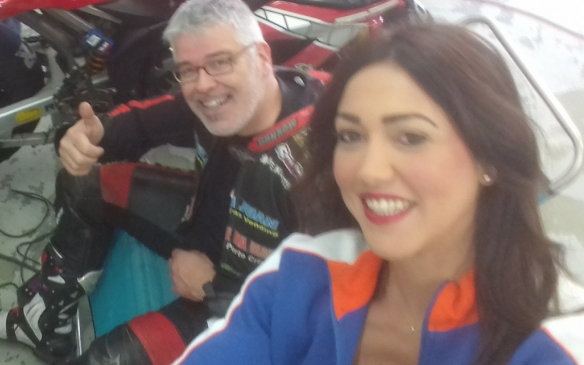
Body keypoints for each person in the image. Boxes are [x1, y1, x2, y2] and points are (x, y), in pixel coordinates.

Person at [175, 23, 584, 364]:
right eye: (351, 136)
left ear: (488, 158)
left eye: (411, 137)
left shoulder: (555, 344)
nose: (369, 171)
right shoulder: (303, 273)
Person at [0, 0, 327, 363]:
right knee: (84, 183)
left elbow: (327, 319)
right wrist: (88, 135)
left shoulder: (324, 162)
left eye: (220, 62)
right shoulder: (218, 96)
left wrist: (214, 290)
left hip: (244, 299)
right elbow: (145, 120)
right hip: (203, 223)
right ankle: (43, 322)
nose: (203, 86)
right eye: (187, 70)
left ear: (262, 57)